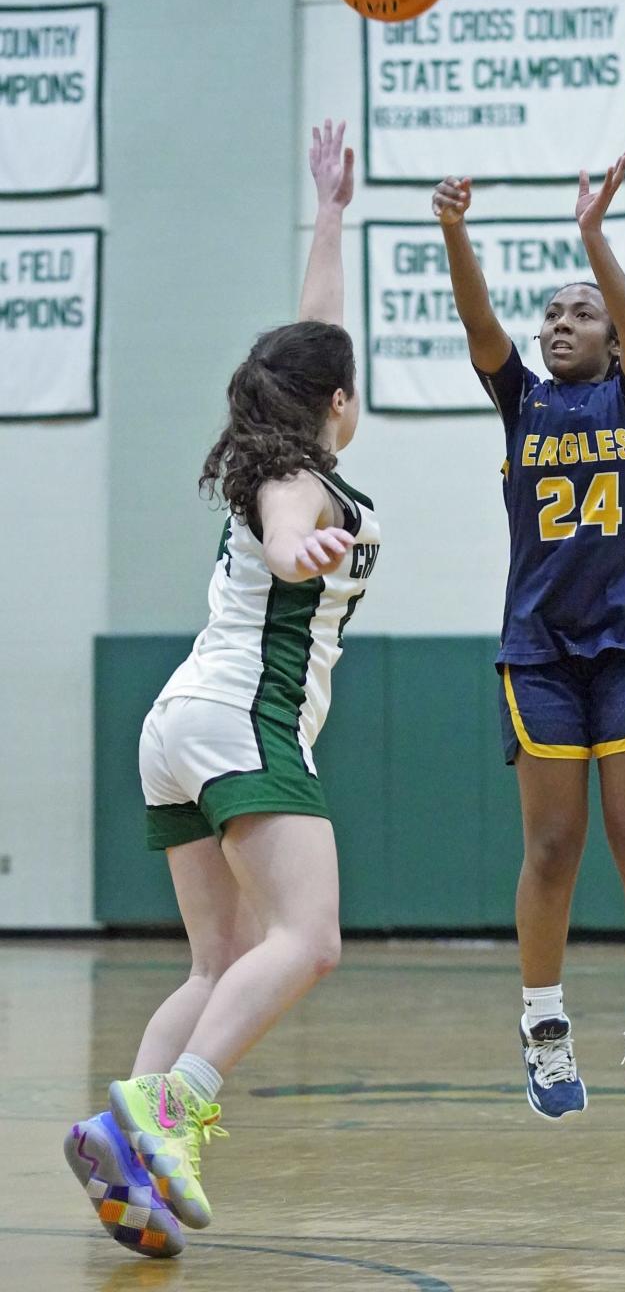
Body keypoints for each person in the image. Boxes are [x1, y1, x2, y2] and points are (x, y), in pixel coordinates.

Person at [64, 120, 378, 1257]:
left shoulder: (281, 447)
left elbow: (321, 339)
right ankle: (176, 1105)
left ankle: (122, 1144)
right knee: (312, 937)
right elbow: (293, 525)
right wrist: (303, 553)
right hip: (243, 718)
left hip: (179, 720)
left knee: (219, 958)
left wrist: (331, 215)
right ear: (337, 400)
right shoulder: (296, 480)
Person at [432, 154, 625, 1121]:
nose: (558, 325)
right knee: (551, 845)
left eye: (578, 313)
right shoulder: (523, 401)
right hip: (538, 646)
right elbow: (477, 325)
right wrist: (456, 229)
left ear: (612, 343)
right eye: (551, 316)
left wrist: (593, 236)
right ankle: (545, 1030)